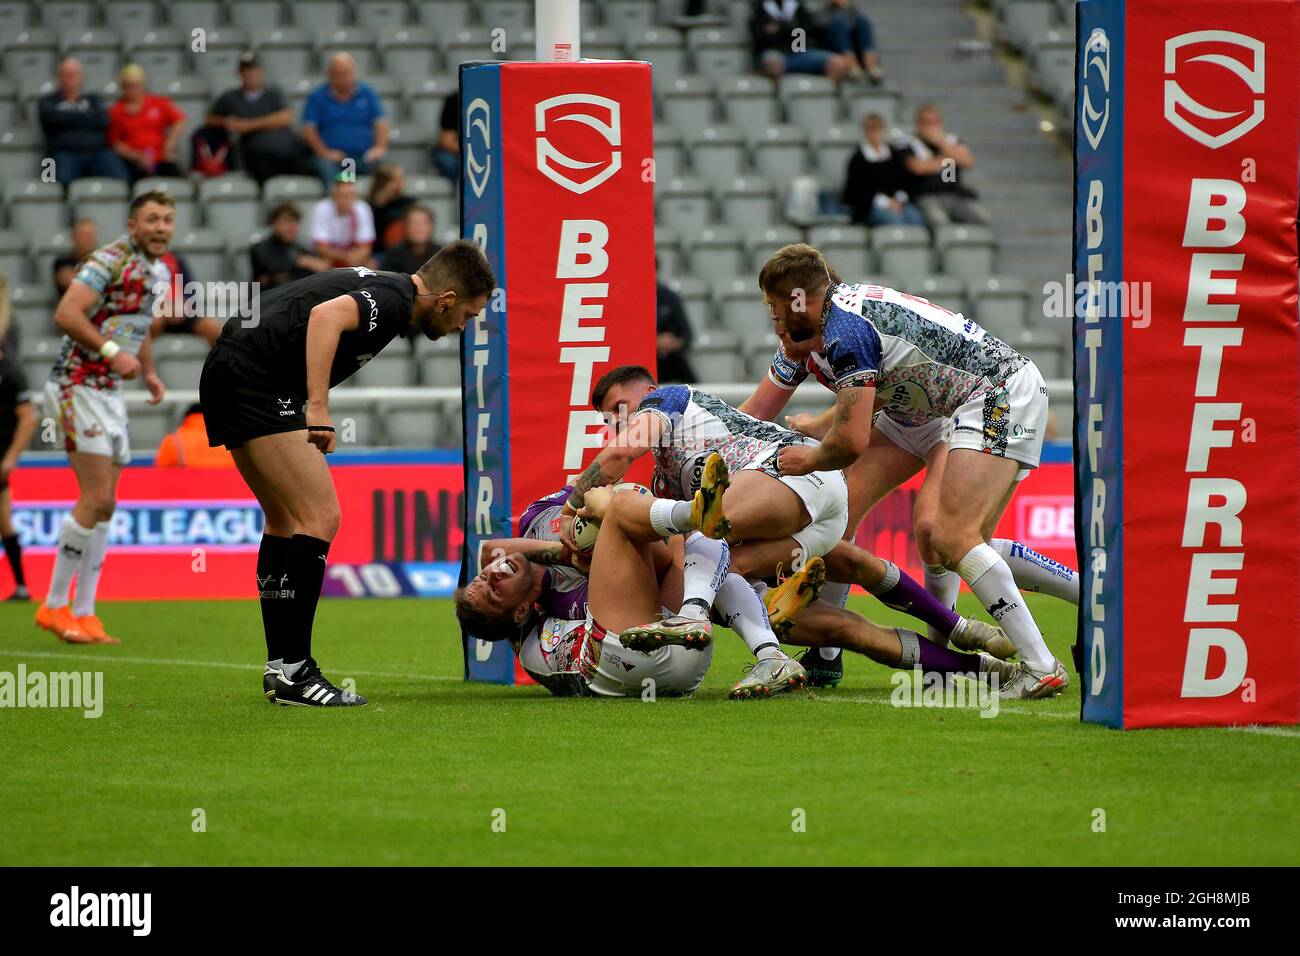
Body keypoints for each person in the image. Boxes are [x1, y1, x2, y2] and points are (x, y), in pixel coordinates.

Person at [752, 242, 1071, 698]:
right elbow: (764, 410)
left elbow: (851, 439)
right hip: (941, 407)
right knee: (858, 524)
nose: (773, 318)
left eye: (776, 306)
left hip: (993, 397)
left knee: (950, 536)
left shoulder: (846, 331)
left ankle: (1041, 662)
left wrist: (811, 452)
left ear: (802, 298)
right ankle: (839, 655)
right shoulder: (817, 331)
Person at [198, 241, 495, 707]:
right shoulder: (397, 300)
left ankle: (282, 668)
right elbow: (327, 317)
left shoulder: (387, 285)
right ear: (448, 299)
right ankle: (296, 671)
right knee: (321, 517)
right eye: (468, 315)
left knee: (283, 519)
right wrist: (317, 407)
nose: (463, 327)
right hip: (258, 377)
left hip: (229, 368)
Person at [34, 192, 171, 645]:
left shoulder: (156, 270)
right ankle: (54, 606)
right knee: (94, 497)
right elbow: (66, 313)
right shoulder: (108, 259)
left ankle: (86, 612)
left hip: (108, 392)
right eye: (152, 219)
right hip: (77, 384)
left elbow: (138, 324)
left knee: (107, 503)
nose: (161, 227)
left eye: (167, 220)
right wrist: (112, 354)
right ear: (132, 226)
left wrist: (148, 370)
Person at [456, 484, 735, 698]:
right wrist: (607, 513)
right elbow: (657, 559)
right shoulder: (560, 605)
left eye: (482, 578)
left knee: (692, 540)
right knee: (620, 509)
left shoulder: (534, 616)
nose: (494, 573)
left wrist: (568, 555)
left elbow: (490, 552)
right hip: (619, 655)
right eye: (494, 590)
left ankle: (761, 647)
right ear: (519, 612)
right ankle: (690, 513)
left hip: (680, 663)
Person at [206, 51, 316, 185]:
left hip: (290, 152)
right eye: (245, 70)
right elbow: (210, 119)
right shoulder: (231, 97)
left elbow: (286, 117)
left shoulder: (273, 92)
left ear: (261, 71)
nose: (249, 74)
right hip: (259, 155)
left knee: (309, 174)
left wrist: (250, 125)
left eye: (253, 69)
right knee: (265, 177)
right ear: (239, 73)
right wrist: (226, 122)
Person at [39, 58, 131, 185]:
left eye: (74, 74)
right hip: (64, 153)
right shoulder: (48, 102)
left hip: (97, 152)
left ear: (81, 77)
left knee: (122, 177)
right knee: (58, 182)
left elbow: (102, 119)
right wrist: (86, 117)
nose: (70, 78)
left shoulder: (93, 99)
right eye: (67, 74)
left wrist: (68, 119)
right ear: (59, 78)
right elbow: (51, 119)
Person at [302, 53, 388, 186]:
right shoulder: (318, 97)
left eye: (346, 73)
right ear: (330, 75)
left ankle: (370, 206)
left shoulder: (367, 93)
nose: (343, 79)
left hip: (363, 157)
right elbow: (309, 129)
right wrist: (324, 152)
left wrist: (379, 148)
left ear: (354, 73)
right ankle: (340, 203)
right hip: (335, 158)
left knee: (388, 176)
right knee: (335, 176)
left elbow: (380, 122)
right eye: (338, 74)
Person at [0, 296, 37, 601]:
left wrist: (11, 457)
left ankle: (22, 585)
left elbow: (28, 417)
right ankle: (21, 585)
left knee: (4, 518)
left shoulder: (10, 373)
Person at [899, 104, 990, 227]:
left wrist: (941, 143)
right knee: (938, 220)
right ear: (918, 124)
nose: (931, 126)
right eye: (926, 122)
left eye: (934, 122)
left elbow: (967, 161)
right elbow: (917, 168)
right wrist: (948, 158)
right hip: (927, 196)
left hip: (954, 195)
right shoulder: (909, 143)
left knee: (981, 217)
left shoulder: (951, 140)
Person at [842, 112, 924, 227]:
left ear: (883, 129)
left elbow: (906, 182)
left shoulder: (895, 155)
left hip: (899, 203)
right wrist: (886, 202)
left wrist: (899, 199)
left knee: (915, 218)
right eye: (870, 128)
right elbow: (856, 191)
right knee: (894, 221)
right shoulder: (858, 159)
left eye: (877, 127)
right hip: (871, 207)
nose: (874, 132)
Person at [107, 64, 186, 182]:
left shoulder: (158, 103)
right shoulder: (116, 111)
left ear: (142, 85)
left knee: (179, 180)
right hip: (134, 162)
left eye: (134, 86)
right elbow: (115, 143)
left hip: (160, 158)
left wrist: (170, 143)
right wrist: (134, 155)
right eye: (126, 86)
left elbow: (179, 120)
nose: (130, 90)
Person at [749, 0, 854, 82]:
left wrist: (779, 29)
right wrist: (791, 29)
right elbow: (761, 39)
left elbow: (806, 31)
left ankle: (826, 100)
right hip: (774, 53)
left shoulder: (798, 5)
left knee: (838, 63)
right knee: (774, 64)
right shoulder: (758, 7)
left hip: (800, 52)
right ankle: (780, 103)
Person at [148, 248, 223, 345]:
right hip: (156, 313)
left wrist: (185, 305)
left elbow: (191, 289)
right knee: (152, 325)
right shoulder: (138, 263)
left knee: (215, 330)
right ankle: (147, 359)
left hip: (182, 311)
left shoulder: (175, 259)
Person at [250, 205, 330, 290]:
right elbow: (273, 266)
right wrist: (302, 261)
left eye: (295, 222)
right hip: (262, 298)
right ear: (275, 223)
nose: (292, 227)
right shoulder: (260, 247)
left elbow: (322, 266)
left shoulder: (298, 248)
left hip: (293, 297)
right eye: (287, 221)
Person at [310, 174, 375, 268]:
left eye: (350, 196)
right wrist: (345, 257)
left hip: (351, 255)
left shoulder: (362, 208)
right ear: (333, 195)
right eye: (341, 195)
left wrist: (357, 257)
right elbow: (321, 247)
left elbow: (366, 245)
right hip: (329, 257)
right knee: (322, 265)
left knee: (371, 265)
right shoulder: (322, 208)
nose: (346, 200)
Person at [819, 0, 883, 82]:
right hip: (832, 45)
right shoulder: (821, 12)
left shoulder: (851, 10)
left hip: (852, 45)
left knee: (862, 21)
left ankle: (870, 63)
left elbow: (855, 22)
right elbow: (819, 25)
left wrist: (846, 8)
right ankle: (851, 65)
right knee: (840, 23)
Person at [155, 403, 233, 468]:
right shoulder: (231, 438)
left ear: (186, 417)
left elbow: (162, 470)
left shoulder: (174, 440)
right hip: (230, 484)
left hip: (188, 485)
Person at [655, 271, 696, 384]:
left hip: (670, 357)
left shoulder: (670, 297)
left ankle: (694, 397)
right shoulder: (631, 298)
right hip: (644, 359)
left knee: (680, 363)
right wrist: (653, 342)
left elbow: (687, 335)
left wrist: (672, 343)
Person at [367, 165, 413, 253]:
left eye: (402, 178)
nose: (400, 182)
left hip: (405, 252)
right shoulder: (369, 206)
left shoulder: (409, 203)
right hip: (378, 252)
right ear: (383, 182)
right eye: (395, 179)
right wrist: (380, 203)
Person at [53, 219, 100, 299]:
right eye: (85, 235)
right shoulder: (62, 262)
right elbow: (70, 282)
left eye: (91, 235)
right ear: (74, 237)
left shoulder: (102, 260)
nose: (89, 239)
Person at [433, 92, 459, 182]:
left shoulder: (494, 100)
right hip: (457, 151)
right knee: (447, 161)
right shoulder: (454, 100)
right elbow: (447, 142)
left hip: (485, 152)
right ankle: (455, 193)